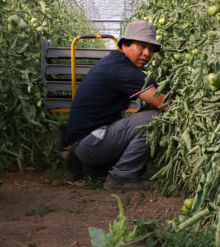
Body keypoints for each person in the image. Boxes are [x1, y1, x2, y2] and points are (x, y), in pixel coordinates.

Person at [65, 19, 167, 191]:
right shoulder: (124, 70)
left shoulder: (115, 62)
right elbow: (164, 104)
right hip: (90, 144)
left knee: (142, 116)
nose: (147, 53)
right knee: (153, 119)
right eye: (141, 46)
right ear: (125, 44)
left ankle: (95, 168)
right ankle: (120, 177)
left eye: (151, 49)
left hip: (86, 140)